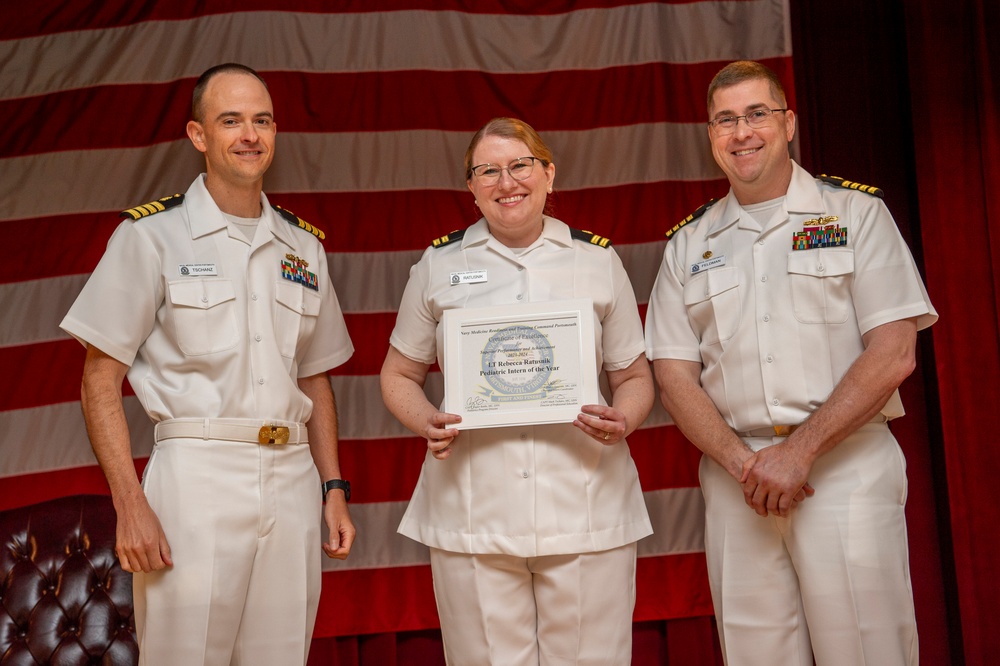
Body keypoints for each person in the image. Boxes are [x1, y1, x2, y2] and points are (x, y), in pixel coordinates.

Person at [59, 63, 356, 665]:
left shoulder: (304, 247)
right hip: (196, 476)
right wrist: (129, 504)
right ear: (199, 135)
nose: (250, 135)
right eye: (231, 121)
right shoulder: (151, 238)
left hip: (293, 478)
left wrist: (332, 486)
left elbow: (313, 376)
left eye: (262, 120)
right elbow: (99, 379)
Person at [644, 60, 937, 665]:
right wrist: (744, 464)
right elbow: (674, 379)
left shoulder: (855, 215)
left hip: (844, 468)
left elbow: (894, 351)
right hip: (737, 483)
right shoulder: (688, 244)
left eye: (757, 114)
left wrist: (798, 451)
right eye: (725, 119)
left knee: (867, 651)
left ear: (789, 123)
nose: (742, 132)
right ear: (710, 135)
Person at [380, 117, 654, 665]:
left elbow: (634, 377)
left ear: (549, 174)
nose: (507, 183)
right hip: (472, 509)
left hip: (586, 505)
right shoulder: (438, 264)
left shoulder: (597, 261)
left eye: (521, 165)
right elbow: (397, 375)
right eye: (489, 171)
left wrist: (623, 419)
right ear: (471, 188)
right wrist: (425, 419)